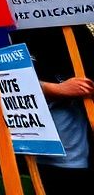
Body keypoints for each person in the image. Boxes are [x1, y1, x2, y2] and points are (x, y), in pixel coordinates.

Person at [13, 25, 94, 190]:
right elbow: (5, 81)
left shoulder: (73, 29)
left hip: (75, 151)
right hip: (38, 150)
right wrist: (57, 89)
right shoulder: (14, 33)